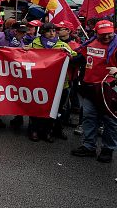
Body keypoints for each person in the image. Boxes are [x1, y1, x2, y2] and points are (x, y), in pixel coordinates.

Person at [70, 19, 117, 163]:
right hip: (90, 87)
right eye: (103, 34)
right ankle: (88, 146)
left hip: (109, 89)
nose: (107, 37)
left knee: (109, 121)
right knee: (89, 118)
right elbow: (80, 58)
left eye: (109, 34)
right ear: (96, 33)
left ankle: (107, 149)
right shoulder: (90, 43)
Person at [27, 22, 77, 142]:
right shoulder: (35, 43)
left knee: (55, 108)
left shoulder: (62, 45)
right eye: (49, 31)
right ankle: (34, 130)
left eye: (54, 31)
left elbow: (74, 56)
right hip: (39, 82)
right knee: (37, 107)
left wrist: (70, 57)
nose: (52, 33)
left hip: (59, 83)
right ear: (43, 32)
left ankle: (48, 131)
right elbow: (25, 55)